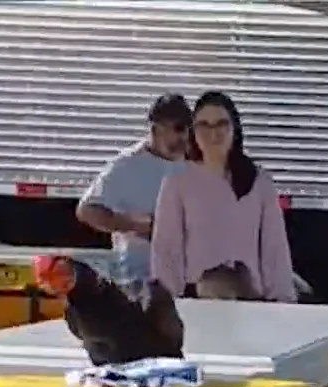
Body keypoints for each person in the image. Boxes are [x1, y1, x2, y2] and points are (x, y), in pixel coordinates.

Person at [151, 91, 299, 303]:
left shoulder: (258, 181)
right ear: (194, 131)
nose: (213, 133)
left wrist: (283, 301)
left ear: (234, 128)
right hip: (199, 298)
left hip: (250, 300)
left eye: (221, 124)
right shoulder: (178, 180)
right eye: (204, 125)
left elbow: (274, 248)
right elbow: (166, 247)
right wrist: (169, 302)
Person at [76, 94, 192, 287]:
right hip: (139, 277)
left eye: (188, 129)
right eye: (178, 128)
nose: (184, 137)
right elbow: (87, 210)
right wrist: (134, 225)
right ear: (156, 129)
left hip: (184, 279)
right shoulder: (127, 165)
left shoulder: (193, 164)